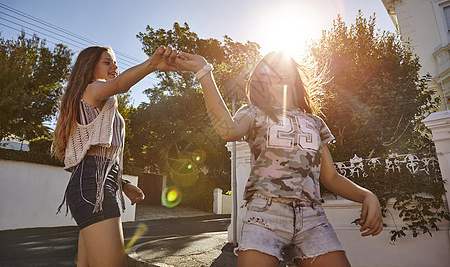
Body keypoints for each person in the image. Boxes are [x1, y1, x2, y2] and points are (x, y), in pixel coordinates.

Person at [173, 51, 383, 267]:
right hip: (265, 215)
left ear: (294, 74)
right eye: (269, 71)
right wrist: (203, 72)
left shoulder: (315, 122)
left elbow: (330, 177)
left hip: (312, 218)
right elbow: (229, 131)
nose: (276, 73)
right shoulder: (253, 112)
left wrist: (367, 196)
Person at [53, 45, 179, 267]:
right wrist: (152, 64)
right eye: (107, 62)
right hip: (92, 188)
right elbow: (120, 85)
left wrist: (121, 183)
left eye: (114, 62)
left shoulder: (99, 101)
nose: (114, 66)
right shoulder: (92, 89)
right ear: (90, 68)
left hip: (96, 184)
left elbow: (97, 155)